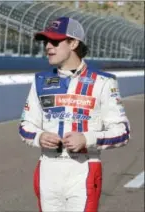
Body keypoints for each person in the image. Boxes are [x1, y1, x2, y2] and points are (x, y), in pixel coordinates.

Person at [19, 17, 130, 212]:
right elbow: (25, 125)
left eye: (55, 42)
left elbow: (122, 132)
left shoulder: (103, 82)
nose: (48, 47)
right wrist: (39, 136)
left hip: (84, 168)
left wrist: (87, 139)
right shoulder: (40, 80)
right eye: (46, 42)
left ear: (74, 43)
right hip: (48, 169)